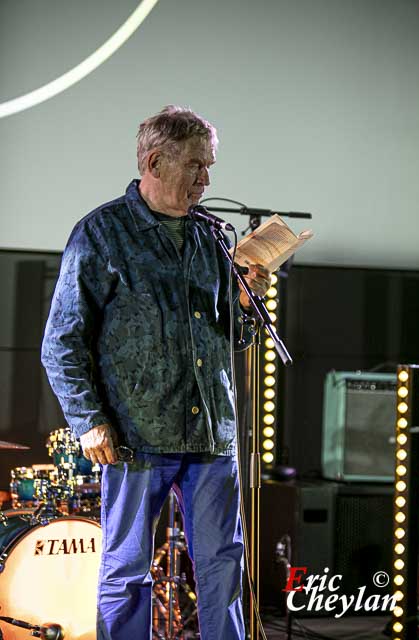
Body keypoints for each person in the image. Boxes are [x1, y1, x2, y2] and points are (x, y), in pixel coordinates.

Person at [41, 105, 271, 640]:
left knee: (223, 569)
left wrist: (244, 303)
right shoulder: (102, 233)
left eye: (208, 166)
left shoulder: (211, 236)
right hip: (132, 437)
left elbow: (231, 337)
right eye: (196, 165)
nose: (206, 179)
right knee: (126, 572)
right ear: (155, 160)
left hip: (211, 436)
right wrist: (87, 419)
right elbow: (61, 341)